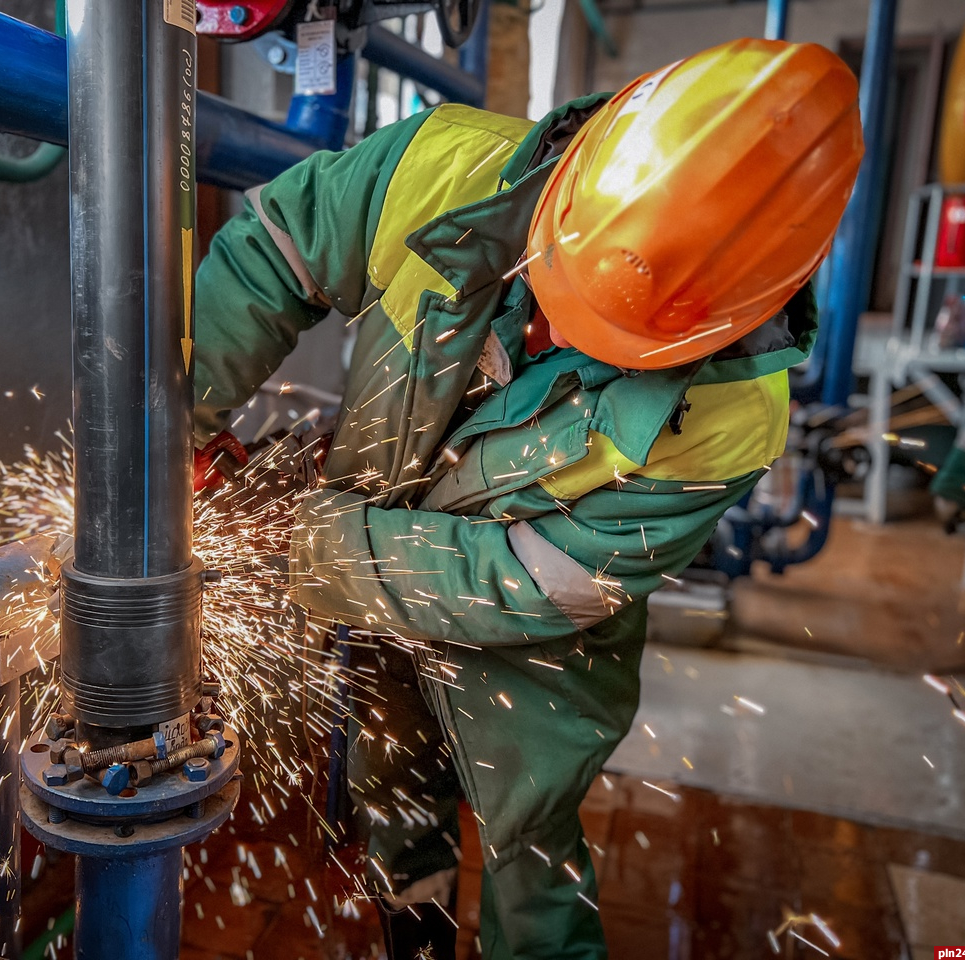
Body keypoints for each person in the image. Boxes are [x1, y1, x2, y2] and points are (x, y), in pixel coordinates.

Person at [192, 38, 864, 960]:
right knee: (391, 769)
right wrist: (180, 430)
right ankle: (414, 933)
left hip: (538, 647)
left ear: (716, 326)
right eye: (552, 287)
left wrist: (307, 542)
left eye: (599, 339)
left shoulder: (732, 414)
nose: (544, 328)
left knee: (530, 832)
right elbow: (271, 255)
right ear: (573, 179)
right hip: (368, 564)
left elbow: (538, 583)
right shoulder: (442, 166)